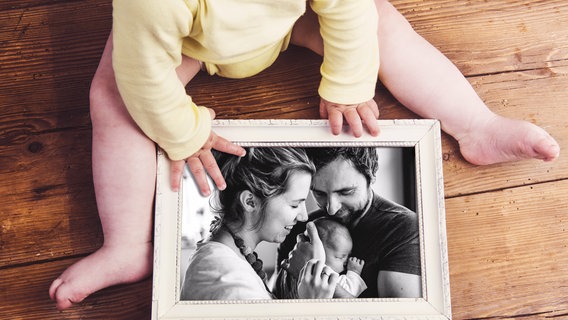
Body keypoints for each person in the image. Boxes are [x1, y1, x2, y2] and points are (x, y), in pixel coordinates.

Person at [49, 0, 560, 310]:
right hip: (192, 41)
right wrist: (183, 133)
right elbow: (143, 77)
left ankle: (475, 124)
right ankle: (126, 243)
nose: (311, 213)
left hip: (291, 19)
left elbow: (349, 11)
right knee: (113, 96)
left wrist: (347, 82)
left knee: (380, 22)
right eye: (303, 201)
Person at [181, 147, 337, 300]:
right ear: (250, 202)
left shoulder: (232, 256)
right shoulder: (226, 277)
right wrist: (312, 303)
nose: (303, 217)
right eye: (294, 205)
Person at [278, 147, 421, 298]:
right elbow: (275, 299)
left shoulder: (404, 229)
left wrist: (315, 272)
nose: (331, 209)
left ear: (371, 175)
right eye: (319, 193)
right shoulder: (301, 226)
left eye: (345, 192)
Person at [274, 217, 367, 299]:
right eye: (340, 257)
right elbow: (351, 290)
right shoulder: (332, 277)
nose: (346, 261)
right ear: (316, 250)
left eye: (348, 255)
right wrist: (354, 273)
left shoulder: (290, 265)